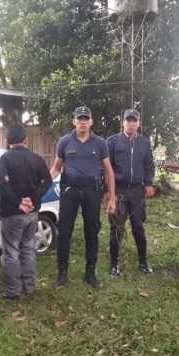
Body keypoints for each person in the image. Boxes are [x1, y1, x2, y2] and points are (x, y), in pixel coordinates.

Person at [50, 106, 116, 290]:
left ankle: (90, 274)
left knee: (91, 232)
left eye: (86, 119)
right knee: (64, 231)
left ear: (91, 122)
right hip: (69, 190)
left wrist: (111, 198)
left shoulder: (100, 143)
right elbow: (56, 168)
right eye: (80, 119)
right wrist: (42, 184)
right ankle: (62, 274)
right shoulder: (64, 142)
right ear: (74, 122)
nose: (83, 122)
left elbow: (109, 171)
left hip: (92, 191)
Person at [0, 123, 52, 301]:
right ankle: (29, 287)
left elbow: (3, 183)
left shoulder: (5, 159)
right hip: (32, 214)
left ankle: (13, 291)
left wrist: (18, 202)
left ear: (7, 141)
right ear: (26, 140)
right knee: (28, 249)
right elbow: (48, 181)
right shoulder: (37, 158)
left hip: (11, 213)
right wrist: (33, 199)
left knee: (11, 251)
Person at [106, 108, 156, 276]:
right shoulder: (112, 142)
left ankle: (143, 262)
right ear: (123, 122)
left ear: (138, 124)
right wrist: (108, 191)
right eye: (128, 120)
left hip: (137, 191)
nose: (131, 123)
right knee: (117, 228)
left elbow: (149, 165)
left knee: (138, 227)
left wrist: (148, 183)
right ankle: (114, 264)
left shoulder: (144, 143)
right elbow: (106, 168)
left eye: (134, 121)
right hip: (119, 190)